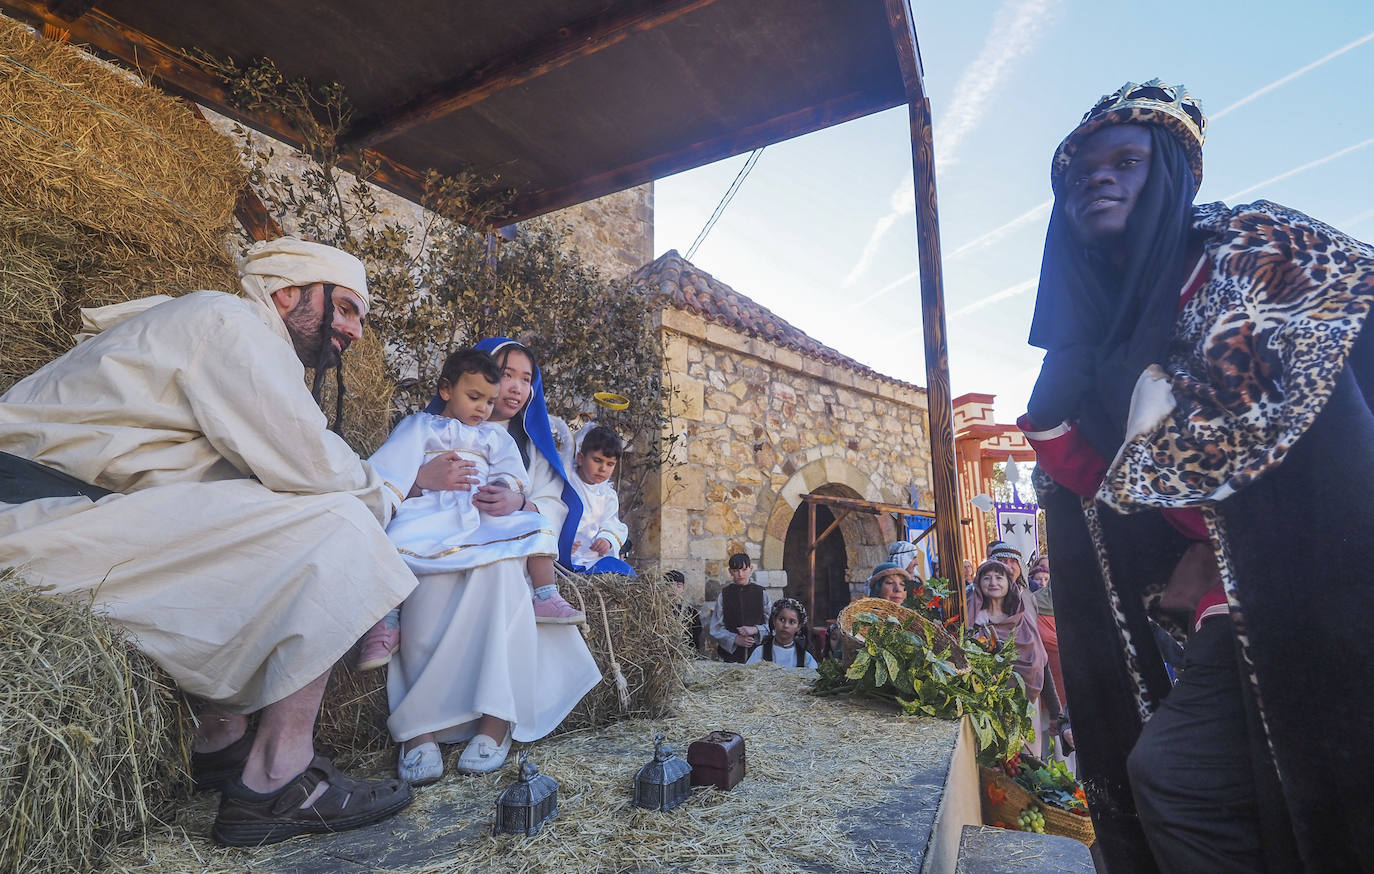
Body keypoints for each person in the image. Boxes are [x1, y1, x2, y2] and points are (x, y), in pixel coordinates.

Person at [1020, 79, 1374, 873]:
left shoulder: (1259, 255)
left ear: (1172, 174)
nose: (1098, 179)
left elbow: (1319, 424)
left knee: (1197, 778)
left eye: (1126, 161)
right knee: (1214, 786)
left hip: (1324, 590)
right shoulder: (1101, 339)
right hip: (1231, 606)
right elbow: (1107, 493)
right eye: (1081, 171)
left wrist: (1237, 532)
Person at [0, 238, 429, 845]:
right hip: (34, 515)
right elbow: (310, 464)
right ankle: (276, 780)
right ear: (288, 294)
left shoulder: (219, 330)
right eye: (349, 309)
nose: (357, 332)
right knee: (339, 524)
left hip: (69, 516)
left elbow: (235, 492)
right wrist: (388, 493)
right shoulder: (228, 322)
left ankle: (221, 740)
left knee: (269, 533)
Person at [385, 340, 601, 784]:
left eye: (527, 379)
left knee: (504, 573)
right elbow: (386, 477)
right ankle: (419, 724)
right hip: (436, 535)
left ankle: (495, 719)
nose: (515, 387)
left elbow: (551, 503)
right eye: (506, 374)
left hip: (502, 541)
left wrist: (519, 499)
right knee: (424, 586)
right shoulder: (427, 429)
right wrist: (422, 482)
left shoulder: (535, 446)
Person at [567, 424, 633, 575]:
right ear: (581, 458)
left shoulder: (608, 495)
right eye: (597, 460)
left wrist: (607, 540)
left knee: (623, 570)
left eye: (610, 464)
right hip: (566, 554)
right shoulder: (566, 483)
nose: (603, 468)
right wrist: (561, 541)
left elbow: (611, 522)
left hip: (593, 558)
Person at [707, 553, 771, 663]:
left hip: (759, 656)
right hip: (731, 656)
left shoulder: (761, 593)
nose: (740, 574)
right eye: (736, 570)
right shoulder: (724, 594)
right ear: (730, 571)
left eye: (744, 569)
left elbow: (772, 624)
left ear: (750, 569)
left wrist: (756, 629)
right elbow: (716, 628)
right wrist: (735, 639)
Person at [746, 598, 818, 669]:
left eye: (792, 622)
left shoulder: (806, 658)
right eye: (782, 620)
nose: (786, 625)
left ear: (798, 626)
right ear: (774, 621)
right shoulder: (760, 652)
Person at [665, 570, 703, 655]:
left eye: (678, 586)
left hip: (686, 654)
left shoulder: (692, 612)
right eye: (670, 586)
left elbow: (696, 637)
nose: (674, 590)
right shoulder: (659, 610)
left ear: (683, 588)